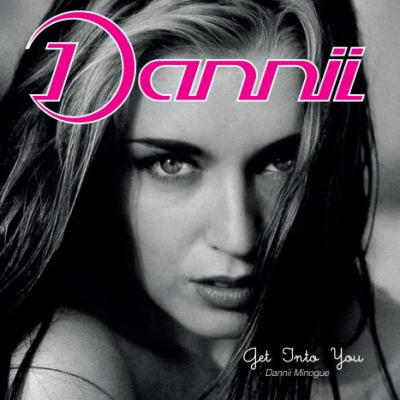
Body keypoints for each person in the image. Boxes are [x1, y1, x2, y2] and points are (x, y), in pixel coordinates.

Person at [0, 0, 399, 399]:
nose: (239, 239)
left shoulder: (367, 340)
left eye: (282, 161)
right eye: (171, 164)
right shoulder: (61, 369)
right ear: (88, 172)